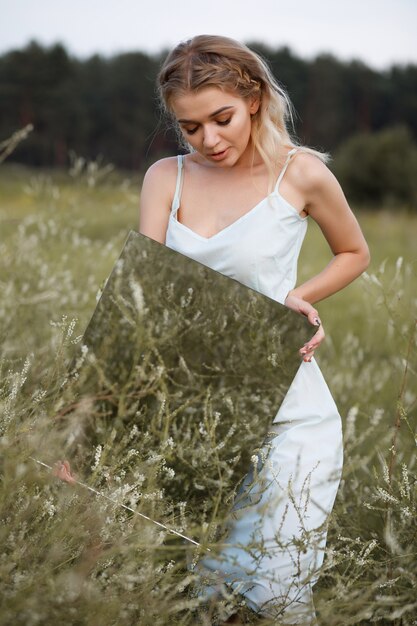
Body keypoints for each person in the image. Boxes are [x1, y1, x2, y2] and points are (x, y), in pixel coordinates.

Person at [139, 35, 370, 625]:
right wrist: (88, 432)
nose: (209, 140)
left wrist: (301, 296)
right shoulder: (166, 178)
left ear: (256, 99)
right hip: (201, 419)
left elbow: (353, 252)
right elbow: (140, 301)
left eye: (222, 119)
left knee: (279, 596)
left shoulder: (302, 174)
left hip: (293, 415)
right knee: (210, 598)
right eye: (190, 127)